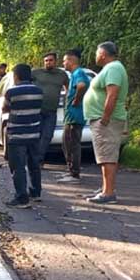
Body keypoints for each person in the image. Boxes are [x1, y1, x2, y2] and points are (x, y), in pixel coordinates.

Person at [84, 42, 129, 204]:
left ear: (103, 53)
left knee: (107, 155)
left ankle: (108, 193)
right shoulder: (110, 68)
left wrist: (105, 116)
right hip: (104, 119)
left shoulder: (114, 69)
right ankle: (105, 188)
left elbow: (112, 94)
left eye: (96, 53)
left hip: (107, 120)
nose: (95, 56)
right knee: (104, 155)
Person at [2, 64, 44, 208]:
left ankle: (21, 198)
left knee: (18, 166)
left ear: (16, 76)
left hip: (17, 134)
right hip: (34, 133)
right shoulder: (39, 91)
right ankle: (36, 192)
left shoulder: (11, 92)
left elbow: (5, 108)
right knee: (34, 164)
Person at [58, 49, 90, 183]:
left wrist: (77, 99)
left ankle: (74, 174)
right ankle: (71, 170)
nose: (63, 63)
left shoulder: (78, 73)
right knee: (67, 144)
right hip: (72, 116)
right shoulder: (74, 75)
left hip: (75, 116)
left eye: (65, 60)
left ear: (71, 61)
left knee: (72, 144)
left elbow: (81, 86)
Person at [32, 52, 68, 168]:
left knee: (47, 135)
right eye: (46, 60)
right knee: (36, 135)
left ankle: (39, 158)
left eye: (50, 60)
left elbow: (68, 88)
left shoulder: (61, 74)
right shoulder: (36, 73)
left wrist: (67, 101)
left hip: (51, 111)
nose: (48, 62)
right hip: (37, 110)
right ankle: (36, 160)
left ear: (55, 61)